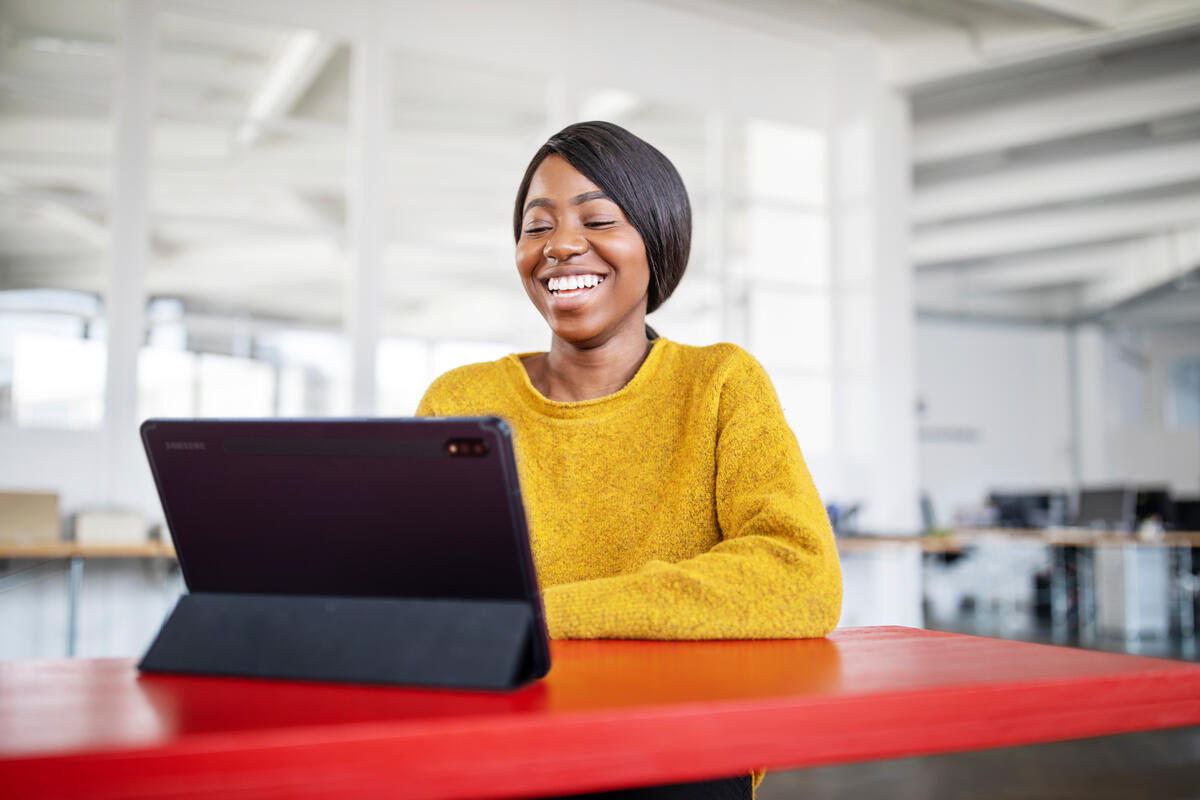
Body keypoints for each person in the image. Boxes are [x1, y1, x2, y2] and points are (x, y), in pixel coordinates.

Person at [416, 121, 841, 797]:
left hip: (681, 745)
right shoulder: (462, 400)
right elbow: (419, 591)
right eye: (536, 226)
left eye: (597, 219)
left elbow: (798, 576)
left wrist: (539, 614)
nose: (559, 245)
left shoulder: (720, 384)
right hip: (501, 737)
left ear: (656, 241)